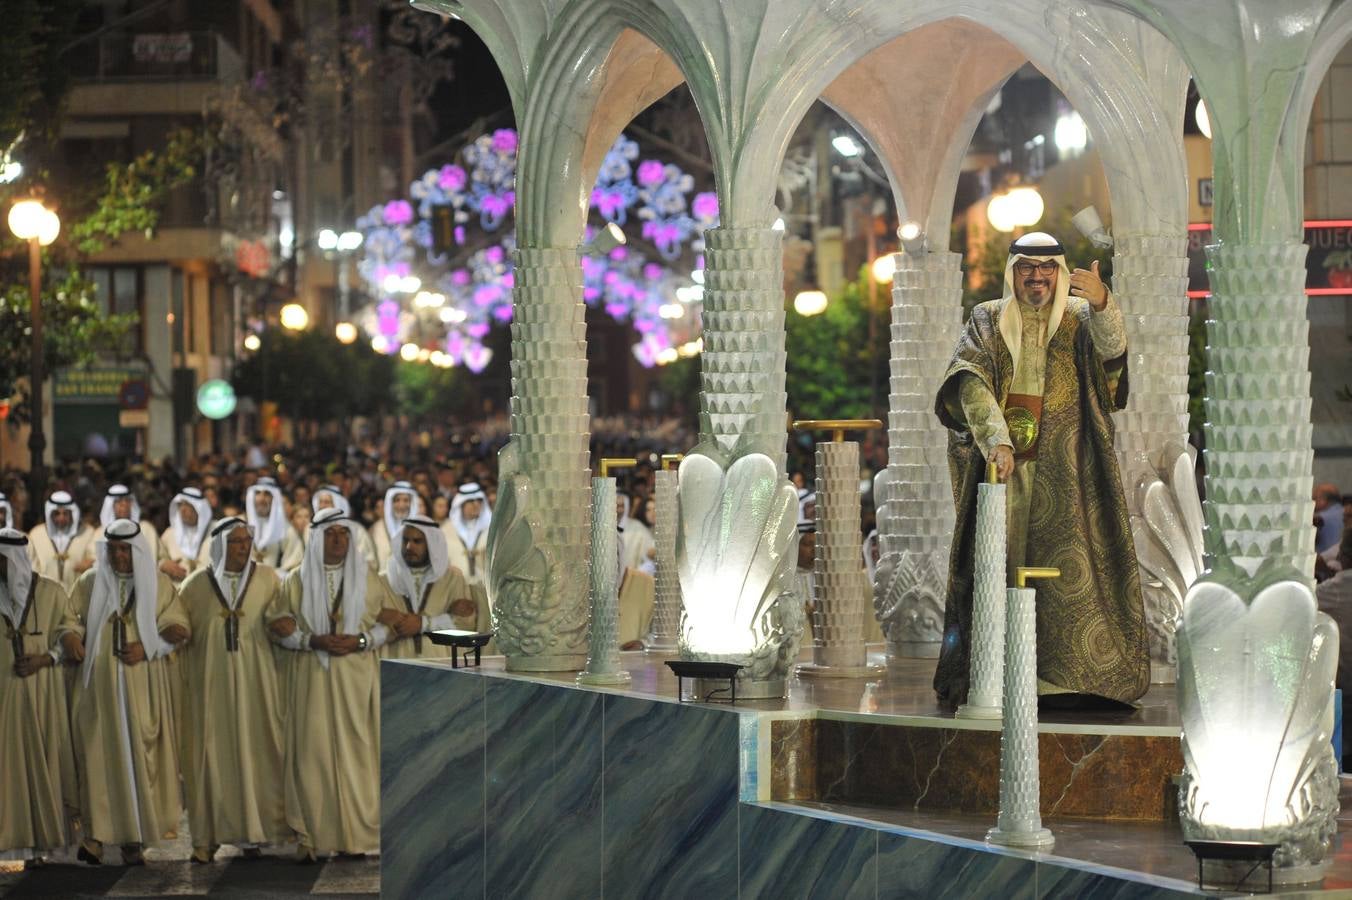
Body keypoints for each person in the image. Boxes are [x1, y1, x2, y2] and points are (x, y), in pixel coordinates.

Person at [932, 231, 1146, 707]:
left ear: (1060, 272)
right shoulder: (988, 317)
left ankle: (1059, 680)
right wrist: (997, 440)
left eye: (1046, 268)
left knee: (1067, 569)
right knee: (996, 565)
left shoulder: (1077, 319)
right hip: (1002, 468)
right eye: (1027, 267)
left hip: (1065, 465)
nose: (1037, 276)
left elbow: (1113, 361)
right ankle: (992, 674)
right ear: (1013, 272)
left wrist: (1105, 303)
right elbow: (968, 379)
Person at [61, 519, 189, 866]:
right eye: (113, 550)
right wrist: (70, 636)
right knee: (96, 759)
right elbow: (69, 619)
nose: (119, 556)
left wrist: (150, 646)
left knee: (137, 761)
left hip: (140, 689)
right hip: (97, 692)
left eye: (125, 550)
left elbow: (178, 625)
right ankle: (94, 837)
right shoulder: (89, 583)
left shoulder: (158, 583)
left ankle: (133, 838)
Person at [266, 508, 392, 862]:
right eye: (330, 534)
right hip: (312, 676)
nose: (337, 541)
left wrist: (362, 642)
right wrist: (310, 641)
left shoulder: (369, 578)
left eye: (343, 534)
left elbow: (390, 624)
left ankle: (354, 837)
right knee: (312, 753)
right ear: (316, 538)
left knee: (357, 754)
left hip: (356, 678)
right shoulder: (296, 580)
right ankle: (311, 834)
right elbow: (276, 623)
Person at [178, 517, 290, 863]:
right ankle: (207, 837)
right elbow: (178, 625)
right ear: (221, 546)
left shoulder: (268, 579)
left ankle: (257, 832)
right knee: (210, 759)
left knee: (258, 753)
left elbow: (284, 617)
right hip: (209, 691)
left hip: (259, 687)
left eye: (246, 541)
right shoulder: (195, 585)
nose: (244, 548)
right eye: (237, 542)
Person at [0, 529, 77, 867]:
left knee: (44, 764)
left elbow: (71, 632)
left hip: (41, 694)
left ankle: (40, 846)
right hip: (4, 696)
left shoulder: (51, 592)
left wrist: (46, 658)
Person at [379, 515, 477, 660]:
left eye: (417, 541)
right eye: (405, 540)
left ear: (432, 544)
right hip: (396, 665)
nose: (409, 547)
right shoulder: (384, 580)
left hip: (441, 666)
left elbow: (466, 624)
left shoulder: (452, 579)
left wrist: (423, 624)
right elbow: (371, 623)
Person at [28, 491, 95, 592]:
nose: (61, 518)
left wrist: (89, 564)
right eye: (57, 514)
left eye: (65, 513)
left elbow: (95, 560)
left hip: (78, 595)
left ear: (72, 513)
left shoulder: (87, 533)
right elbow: (31, 567)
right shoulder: (36, 534)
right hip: (45, 596)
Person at [311, 485, 378, 570]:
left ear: (337, 505)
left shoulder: (356, 530)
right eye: (320, 502)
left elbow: (369, 561)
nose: (322, 506)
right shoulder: (311, 529)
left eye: (327, 502)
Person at [246, 477, 303, 571]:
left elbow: (294, 563)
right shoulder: (242, 524)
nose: (261, 499)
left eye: (267, 494)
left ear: (274, 499)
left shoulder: (286, 529)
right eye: (258, 494)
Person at [159, 486, 214, 583]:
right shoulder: (170, 533)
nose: (182, 509)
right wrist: (164, 565)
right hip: (177, 590)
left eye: (188, 505)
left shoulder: (215, 531)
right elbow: (157, 558)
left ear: (199, 508)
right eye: (180, 505)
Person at [94, 484, 161, 560]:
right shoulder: (100, 533)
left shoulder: (146, 529)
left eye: (127, 500)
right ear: (111, 506)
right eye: (118, 501)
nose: (124, 504)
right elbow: (93, 559)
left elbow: (160, 557)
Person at [444, 483, 491, 584]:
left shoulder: (492, 529)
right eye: (470, 501)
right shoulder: (446, 530)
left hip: (485, 587)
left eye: (479, 500)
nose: (476, 504)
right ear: (460, 504)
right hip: (456, 587)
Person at [368, 481, 419, 571]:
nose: (401, 505)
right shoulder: (376, 529)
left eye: (406, 500)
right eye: (397, 500)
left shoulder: (421, 528)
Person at [1315, 483, 1345, 556]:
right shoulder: (1347, 514)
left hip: (1322, 563)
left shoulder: (1318, 518)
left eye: (1314, 498)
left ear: (1322, 500)